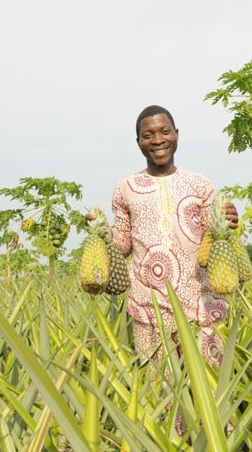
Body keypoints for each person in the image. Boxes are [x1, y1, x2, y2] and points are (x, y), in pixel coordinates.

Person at [90, 104, 238, 371]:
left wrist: (228, 223)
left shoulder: (200, 184)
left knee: (210, 388)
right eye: (148, 135)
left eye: (164, 132)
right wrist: (100, 234)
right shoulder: (125, 188)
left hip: (200, 302)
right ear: (138, 142)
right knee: (159, 392)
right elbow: (123, 245)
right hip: (148, 306)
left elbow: (210, 241)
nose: (157, 140)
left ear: (177, 135)